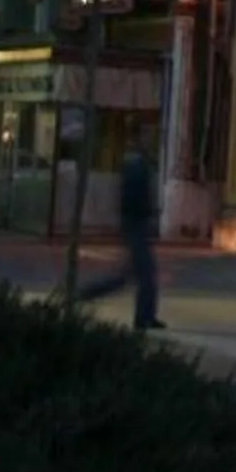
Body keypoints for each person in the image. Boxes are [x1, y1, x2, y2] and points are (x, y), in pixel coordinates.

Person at [78, 140, 163, 331]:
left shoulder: (137, 167)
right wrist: (146, 216)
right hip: (136, 225)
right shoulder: (137, 168)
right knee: (144, 275)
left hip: (135, 225)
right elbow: (134, 200)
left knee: (132, 276)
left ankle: (145, 315)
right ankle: (143, 317)